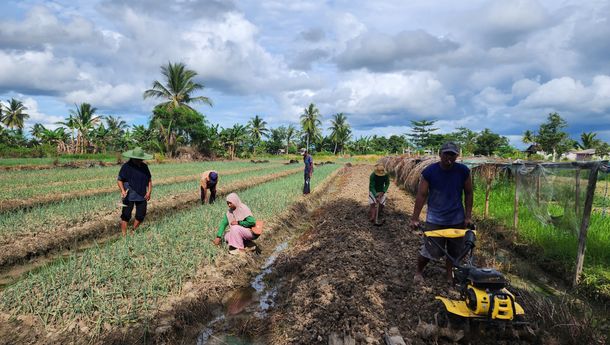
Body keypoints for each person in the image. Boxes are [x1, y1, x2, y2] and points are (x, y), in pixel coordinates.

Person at [409, 142, 473, 283]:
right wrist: (415, 218)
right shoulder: (429, 172)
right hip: (435, 219)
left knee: (455, 251)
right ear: (440, 154)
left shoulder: (463, 171)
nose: (449, 157)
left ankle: (449, 274)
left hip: (456, 218)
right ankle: (419, 271)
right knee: (430, 250)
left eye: (452, 154)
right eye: (446, 154)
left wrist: (468, 216)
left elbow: (468, 193)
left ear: (457, 156)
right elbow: (422, 195)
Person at [117, 147, 153, 236]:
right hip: (129, 195)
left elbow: (149, 180)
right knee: (125, 215)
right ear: (132, 157)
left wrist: (149, 192)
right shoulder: (126, 167)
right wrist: (122, 191)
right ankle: (124, 235)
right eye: (137, 159)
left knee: (141, 215)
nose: (139, 160)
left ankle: (133, 231)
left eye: (140, 159)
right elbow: (119, 180)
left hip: (142, 194)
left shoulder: (144, 167)